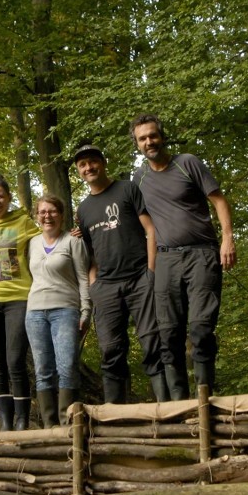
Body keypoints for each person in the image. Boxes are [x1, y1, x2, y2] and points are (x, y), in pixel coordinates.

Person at [130, 114, 237, 399]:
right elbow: (135, 221)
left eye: (153, 135)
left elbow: (219, 200)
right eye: (142, 138)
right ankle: (179, 404)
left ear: (162, 136)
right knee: (168, 335)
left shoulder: (187, 162)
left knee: (201, 329)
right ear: (137, 144)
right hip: (165, 260)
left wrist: (227, 237)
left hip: (201, 254)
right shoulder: (138, 178)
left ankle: (204, 399)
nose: (149, 142)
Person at [74, 145, 170, 404]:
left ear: (103, 163)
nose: (88, 168)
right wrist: (94, 284)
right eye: (83, 165)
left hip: (140, 278)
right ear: (78, 171)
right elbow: (89, 251)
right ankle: (115, 413)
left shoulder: (127, 189)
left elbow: (151, 230)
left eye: (93, 162)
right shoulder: (83, 210)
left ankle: (167, 408)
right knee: (110, 350)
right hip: (105, 286)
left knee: (152, 342)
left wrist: (151, 272)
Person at [0, 175, 41, 430]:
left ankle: (23, 418)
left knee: (15, 359)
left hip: (18, 298)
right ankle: (4, 419)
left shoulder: (23, 221)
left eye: (0, 196)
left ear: (9, 198)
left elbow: (48, 238)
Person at [25, 195, 91, 427]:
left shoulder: (73, 241)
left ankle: (67, 424)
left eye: (52, 211)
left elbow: (84, 278)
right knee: (43, 370)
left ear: (61, 215)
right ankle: (49, 426)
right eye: (42, 212)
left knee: (67, 366)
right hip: (34, 313)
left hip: (65, 310)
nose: (47, 216)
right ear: (37, 216)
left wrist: (86, 311)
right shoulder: (31, 243)